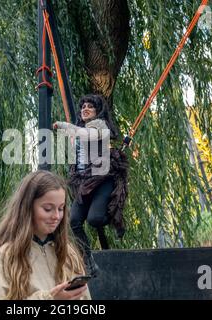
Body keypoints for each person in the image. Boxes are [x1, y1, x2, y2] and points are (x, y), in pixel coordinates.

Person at [0, 170, 91, 300]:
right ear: (27, 208)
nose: (56, 216)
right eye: (48, 209)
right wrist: (50, 299)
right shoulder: (6, 257)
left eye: (61, 208)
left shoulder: (69, 254)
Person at [53, 94, 129, 277]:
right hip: (84, 182)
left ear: (97, 111)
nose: (85, 109)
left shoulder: (100, 126)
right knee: (74, 222)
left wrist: (62, 126)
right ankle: (88, 260)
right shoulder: (80, 129)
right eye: (83, 106)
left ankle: (115, 218)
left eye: (90, 107)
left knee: (95, 219)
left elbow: (84, 134)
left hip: (102, 180)